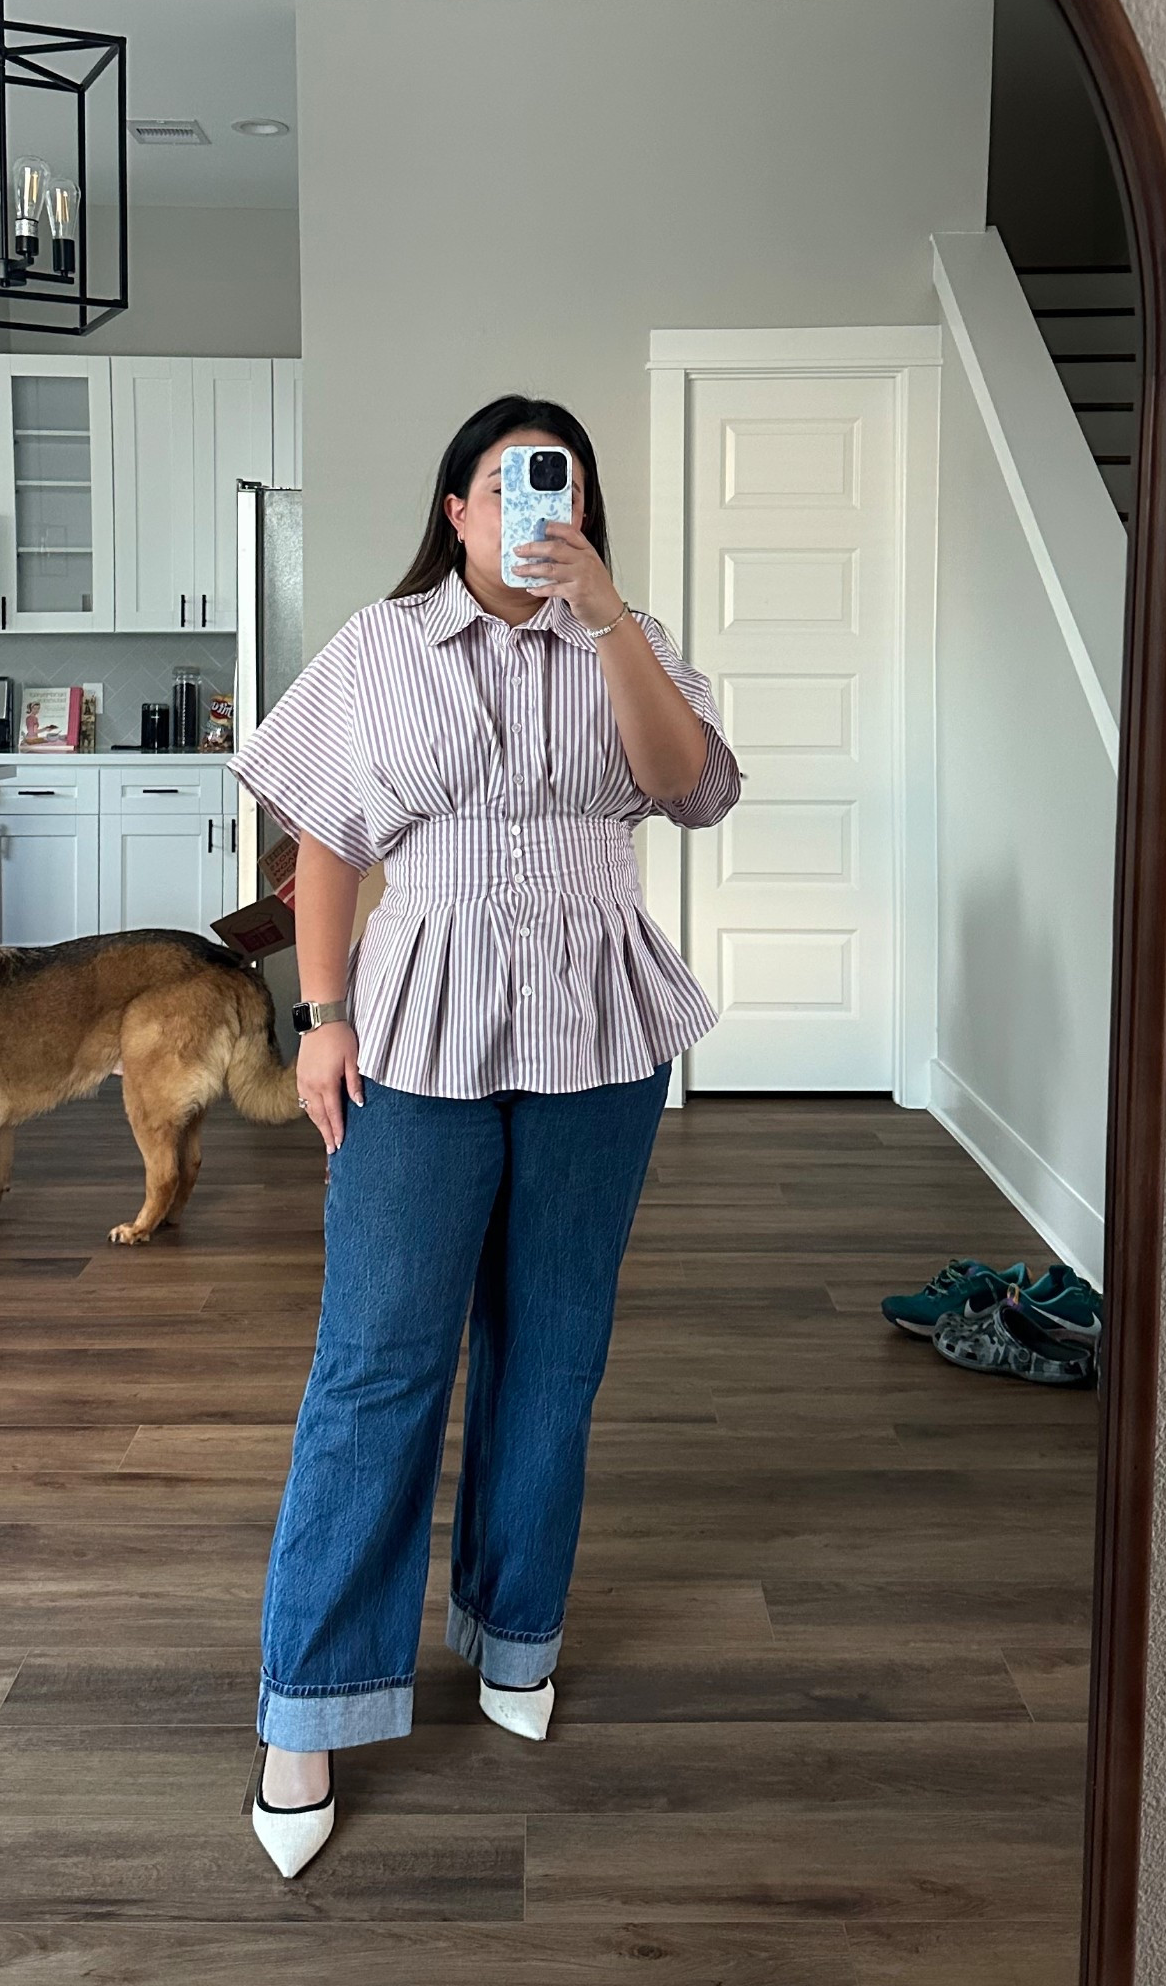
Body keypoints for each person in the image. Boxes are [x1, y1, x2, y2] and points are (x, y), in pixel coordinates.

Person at [229, 394, 742, 1878]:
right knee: (378, 1359)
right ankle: (309, 1703)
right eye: (504, 486)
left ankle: (517, 1631)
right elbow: (328, 840)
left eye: (555, 486)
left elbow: (681, 787)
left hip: (599, 1027)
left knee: (554, 1347)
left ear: (581, 508)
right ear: (456, 510)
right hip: (416, 1030)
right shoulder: (383, 646)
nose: (530, 509)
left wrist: (606, 619)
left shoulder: (626, 637)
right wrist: (321, 1015)